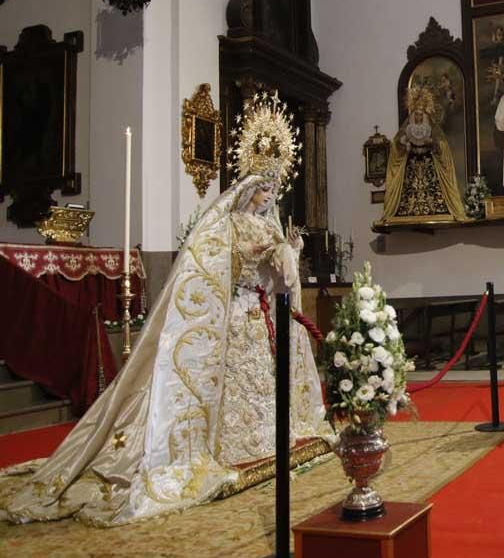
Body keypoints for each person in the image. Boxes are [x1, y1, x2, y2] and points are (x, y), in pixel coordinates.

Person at [0, 91, 334, 527]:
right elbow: (228, 267)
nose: (269, 195)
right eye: (263, 187)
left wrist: (287, 252)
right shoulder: (229, 224)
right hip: (234, 316)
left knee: (261, 385)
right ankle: (227, 445)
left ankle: (265, 440)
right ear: (249, 188)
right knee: (234, 384)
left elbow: (276, 280)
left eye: (274, 188)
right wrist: (270, 255)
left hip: (259, 316)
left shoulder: (268, 225)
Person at [379, 85, 469, 223]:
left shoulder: (429, 128)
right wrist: (404, 143)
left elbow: (441, 145)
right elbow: (397, 144)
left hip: (428, 163)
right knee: (410, 190)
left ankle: (440, 208)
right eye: (416, 115)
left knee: (432, 188)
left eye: (421, 114)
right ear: (413, 116)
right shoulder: (408, 129)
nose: (419, 117)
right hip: (411, 165)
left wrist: (431, 142)